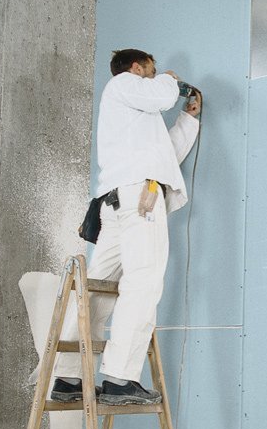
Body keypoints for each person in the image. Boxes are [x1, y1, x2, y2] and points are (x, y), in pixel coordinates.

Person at [50, 48, 202, 405]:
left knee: (99, 291)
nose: (157, 74)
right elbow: (162, 95)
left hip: (120, 202)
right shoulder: (124, 85)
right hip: (140, 198)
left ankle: (69, 378)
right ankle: (120, 378)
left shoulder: (133, 116)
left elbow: (165, 157)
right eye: (152, 69)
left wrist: (188, 119)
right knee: (143, 282)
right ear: (136, 68)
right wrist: (171, 81)